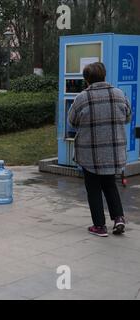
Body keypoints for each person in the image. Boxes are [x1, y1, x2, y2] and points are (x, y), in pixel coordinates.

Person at [69, 62, 131, 237]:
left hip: (91, 152)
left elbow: (72, 122)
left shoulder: (82, 98)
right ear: (104, 75)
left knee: (93, 188)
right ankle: (118, 218)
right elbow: (127, 117)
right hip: (113, 150)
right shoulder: (119, 94)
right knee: (110, 184)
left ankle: (99, 226)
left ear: (86, 79)